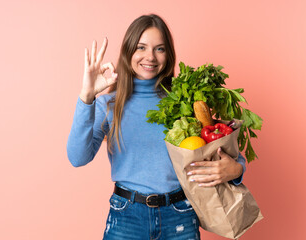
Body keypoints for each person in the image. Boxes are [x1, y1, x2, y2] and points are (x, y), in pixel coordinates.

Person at [67, 14, 246, 240]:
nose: (150, 57)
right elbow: (77, 157)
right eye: (141, 47)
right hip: (126, 217)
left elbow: (221, 148)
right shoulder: (109, 104)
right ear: (128, 51)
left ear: (168, 55)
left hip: (180, 214)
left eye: (159, 49)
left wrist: (238, 169)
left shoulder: (184, 101)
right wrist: (87, 96)